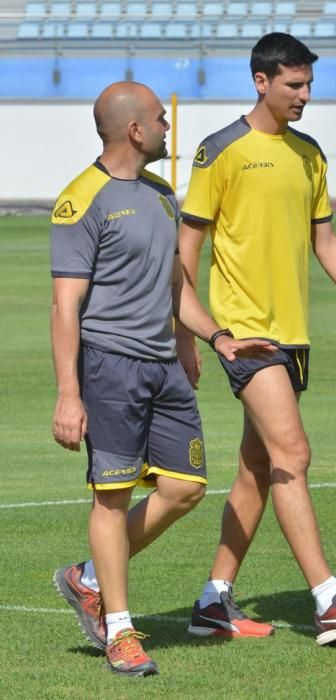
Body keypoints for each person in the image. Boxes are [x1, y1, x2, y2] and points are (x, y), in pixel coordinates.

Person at [177, 33, 336, 647]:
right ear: (261, 81)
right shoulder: (219, 150)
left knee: (257, 468)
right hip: (247, 337)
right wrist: (194, 335)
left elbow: (324, 242)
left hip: (293, 337)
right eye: (293, 85)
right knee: (293, 455)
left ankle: (213, 604)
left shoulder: (309, 154)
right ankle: (331, 603)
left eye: (308, 85)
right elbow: (184, 256)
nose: (305, 96)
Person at [50, 81, 275, 677]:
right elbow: (64, 307)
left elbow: (177, 288)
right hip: (109, 368)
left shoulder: (160, 195)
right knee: (112, 495)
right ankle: (119, 631)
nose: (167, 127)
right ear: (133, 131)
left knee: (185, 488)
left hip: (164, 367)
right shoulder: (82, 199)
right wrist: (69, 394)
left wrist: (216, 339)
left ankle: (88, 577)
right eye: (159, 119)